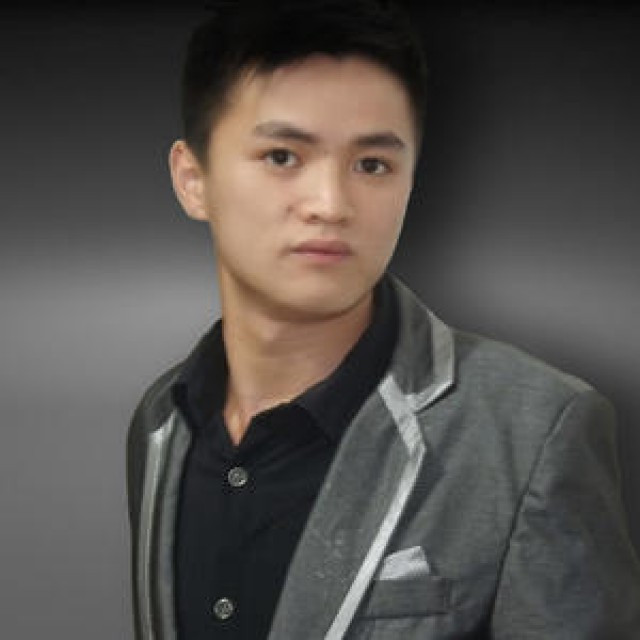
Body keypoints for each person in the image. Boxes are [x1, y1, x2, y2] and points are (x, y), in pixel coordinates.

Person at [126, 1, 640, 638]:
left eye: (372, 165)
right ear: (192, 179)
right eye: (282, 156)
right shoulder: (162, 420)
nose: (330, 203)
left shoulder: (532, 432)